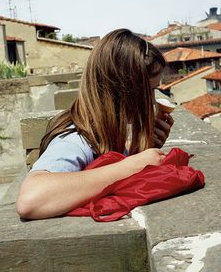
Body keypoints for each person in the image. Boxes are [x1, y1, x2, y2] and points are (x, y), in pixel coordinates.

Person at [16, 28, 174, 219]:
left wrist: (143, 148)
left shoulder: (102, 133)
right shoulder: (75, 139)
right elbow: (30, 199)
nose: (152, 101)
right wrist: (132, 165)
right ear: (123, 91)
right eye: (150, 90)